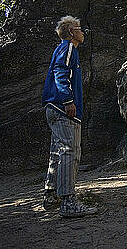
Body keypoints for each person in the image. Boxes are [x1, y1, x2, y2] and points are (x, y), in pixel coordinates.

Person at [41, 15, 98, 218]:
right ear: (72, 32)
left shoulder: (61, 49)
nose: (83, 32)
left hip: (52, 108)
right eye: (80, 28)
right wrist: (67, 101)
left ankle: (50, 196)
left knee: (57, 151)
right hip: (62, 108)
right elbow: (60, 72)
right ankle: (68, 202)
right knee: (70, 151)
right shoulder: (68, 48)